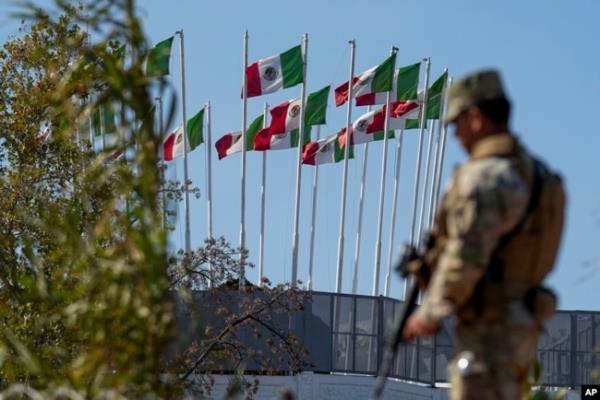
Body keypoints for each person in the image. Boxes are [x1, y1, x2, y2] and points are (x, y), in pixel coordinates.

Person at [403, 69, 565, 399]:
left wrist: (430, 312)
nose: (456, 134)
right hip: (522, 323)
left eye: (456, 123)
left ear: (476, 117)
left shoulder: (484, 179)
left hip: (488, 331)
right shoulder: (540, 176)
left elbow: (467, 254)